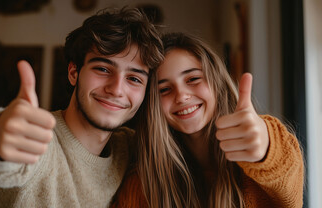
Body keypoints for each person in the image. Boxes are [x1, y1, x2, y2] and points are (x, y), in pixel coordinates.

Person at [0, 7, 164, 208]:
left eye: (134, 79)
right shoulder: (40, 141)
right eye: (103, 69)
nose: (116, 89)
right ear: (74, 73)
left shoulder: (129, 148)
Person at [110, 32, 304, 208]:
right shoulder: (141, 186)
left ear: (217, 83)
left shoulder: (262, 153)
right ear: (152, 106)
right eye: (164, 89)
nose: (181, 96)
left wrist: (265, 147)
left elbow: (288, 184)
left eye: (193, 79)